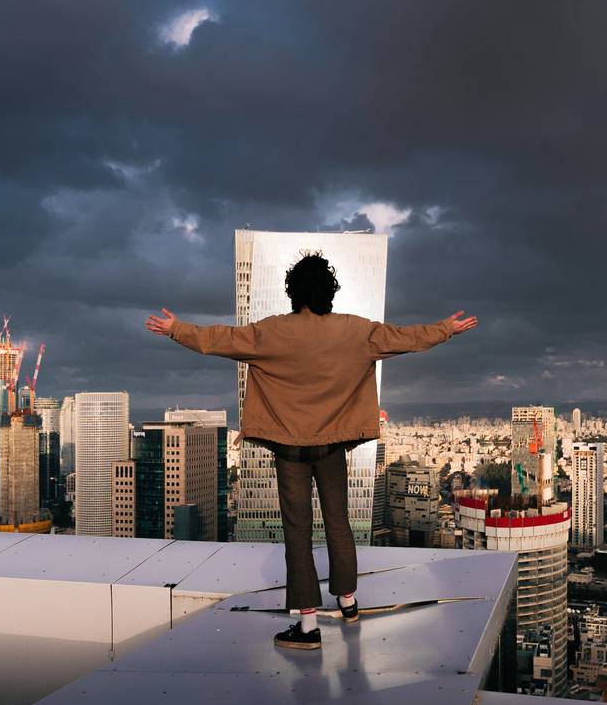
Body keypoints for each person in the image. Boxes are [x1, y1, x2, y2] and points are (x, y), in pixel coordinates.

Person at [145, 251, 477, 650]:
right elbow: (405, 338)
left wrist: (176, 328)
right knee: (338, 523)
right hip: (331, 447)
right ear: (329, 291)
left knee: (297, 532)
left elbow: (219, 340)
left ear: (293, 291)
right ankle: (349, 601)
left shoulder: (271, 332)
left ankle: (307, 627)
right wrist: (445, 329)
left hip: (289, 449)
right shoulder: (355, 331)